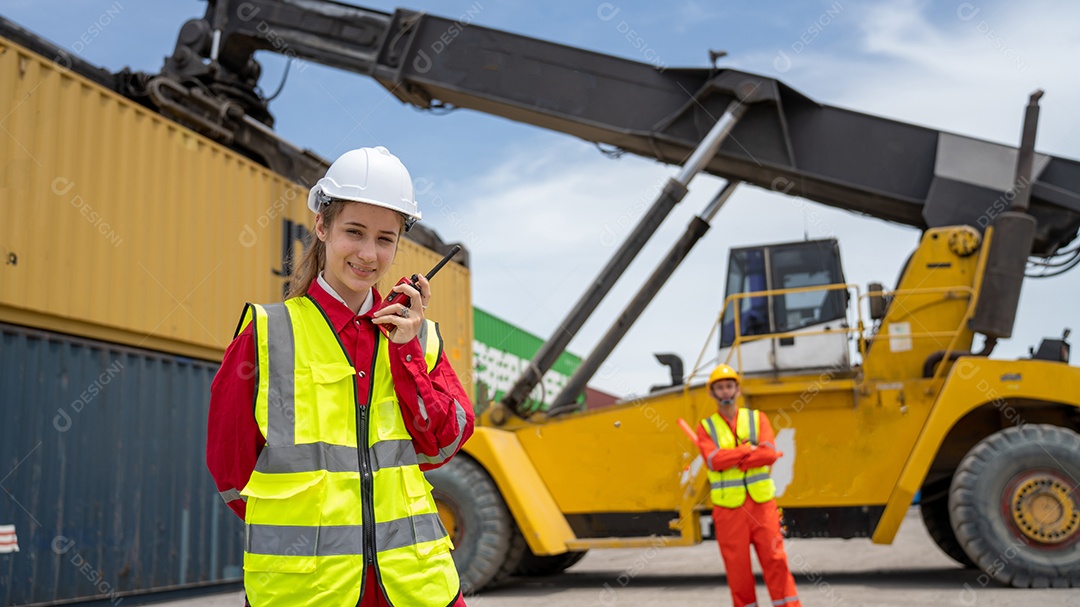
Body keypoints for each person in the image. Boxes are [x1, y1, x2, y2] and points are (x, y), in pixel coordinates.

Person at [207, 146, 474, 607]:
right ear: (322, 227)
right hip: (307, 592)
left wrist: (405, 350)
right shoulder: (267, 334)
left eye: (385, 239)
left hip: (416, 589)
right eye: (354, 232)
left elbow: (442, 442)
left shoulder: (418, 338)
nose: (369, 254)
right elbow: (230, 471)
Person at [694, 364, 800, 607]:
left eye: (729, 386)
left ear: (738, 389)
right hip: (729, 511)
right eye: (719, 388)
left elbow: (770, 454)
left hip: (762, 506)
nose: (725, 392)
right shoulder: (706, 427)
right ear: (712, 393)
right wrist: (746, 451)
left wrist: (732, 458)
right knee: (738, 571)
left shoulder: (756, 418)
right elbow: (713, 461)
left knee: (776, 561)